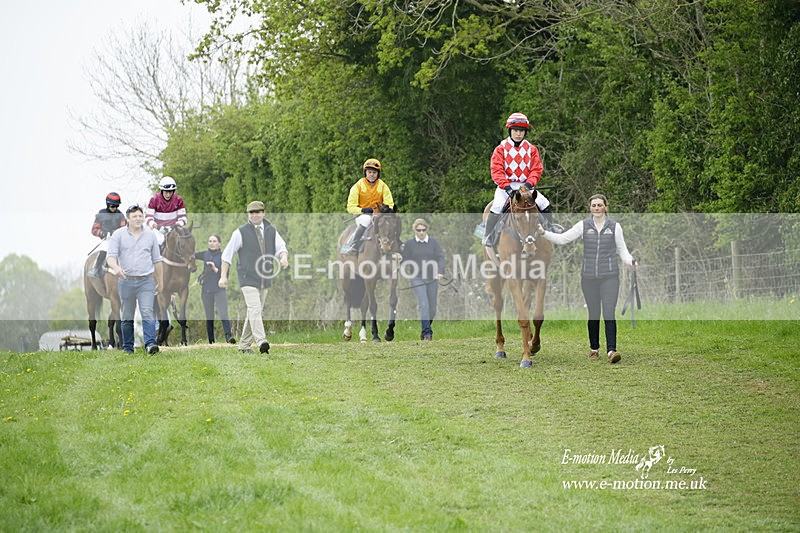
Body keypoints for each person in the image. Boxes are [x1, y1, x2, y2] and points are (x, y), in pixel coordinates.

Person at [538, 194, 636, 364]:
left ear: (605, 207)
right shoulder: (583, 225)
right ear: (590, 208)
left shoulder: (615, 227)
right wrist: (543, 233)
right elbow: (563, 239)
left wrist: (631, 261)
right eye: (594, 205)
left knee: (608, 312)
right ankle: (594, 349)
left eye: (599, 205)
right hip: (588, 278)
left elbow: (622, 250)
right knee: (594, 313)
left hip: (610, 276)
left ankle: (611, 351)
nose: (596, 208)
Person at [219, 201, 289, 354]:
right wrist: (223, 276)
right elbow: (227, 255)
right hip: (247, 277)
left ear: (263, 213)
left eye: (258, 212)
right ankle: (261, 341)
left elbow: (281, 247)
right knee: (255, 308)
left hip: (265, 278)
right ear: (248, 215)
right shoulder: (240, 232)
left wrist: (283, 257)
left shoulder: (271, 230)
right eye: (251, 213)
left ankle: (244, 345)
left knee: (254, 312)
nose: (255, 215)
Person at [483, 112, 562, 246]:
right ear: (510, 131)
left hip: (526, 186)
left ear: (525, 132)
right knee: (497, 206)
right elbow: (496, 171)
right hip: (505, 187)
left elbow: (536, 169)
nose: (518, 134)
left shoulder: (532, 149)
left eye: (522, 131)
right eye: (515, 130)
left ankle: (551, 227)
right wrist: (507, 188)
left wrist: (529, 184)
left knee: (544, 203)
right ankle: (488, 235)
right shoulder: (500, 149)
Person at [106, 205, 163, 356]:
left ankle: (150, 345)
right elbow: (110, 257)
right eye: (134, 216)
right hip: (126, 281)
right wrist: (116, 267)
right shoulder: (118, 235)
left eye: (140, 216)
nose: (138, 219)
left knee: (147, 312)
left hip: (146, 281)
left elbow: (157, 260)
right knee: (127, 316)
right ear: (128, 219)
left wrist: (161, 281)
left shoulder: (150, 235)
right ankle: (128, 348)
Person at [400, 218, 445, 341]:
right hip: (417, 278)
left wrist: (440, 272)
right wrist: (399, 258)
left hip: (432, 278)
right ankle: (427, 334)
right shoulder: (409, 244)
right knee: (424, 304)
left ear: (426, 230)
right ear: (415, 230)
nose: (421, 232)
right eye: (419, 230)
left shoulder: (433, 243)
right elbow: (404, 261)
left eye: (423, 230)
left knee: (432, 309)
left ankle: (425, 328)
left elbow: (441, 258)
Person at [343, 158, 395, 254]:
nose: (372, 174)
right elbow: (350, 207)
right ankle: (353, 244)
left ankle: (398, 245)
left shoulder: (383, 186)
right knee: (366, 220)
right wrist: (363, 210)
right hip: (362, 216)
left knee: (392, 222)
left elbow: (389, 204)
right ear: (365, 173)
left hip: (379, 216)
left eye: (374, 172)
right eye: (369, 172)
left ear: (378, 174)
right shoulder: (357, 186)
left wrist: (386, 211)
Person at [199, 234, 235, 344]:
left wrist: (215, 269)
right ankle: (211, 341)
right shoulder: (205, 254)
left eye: (214, 241)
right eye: (210, 241)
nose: (212, 243)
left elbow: (226, 275)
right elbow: (190, 255)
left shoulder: (223, 256)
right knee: (209, 316)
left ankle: (229, 337)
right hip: (206, 290)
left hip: (219, 290)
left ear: (219, 243)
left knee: (223, 314)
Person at [89, 192, 127, 278]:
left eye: (117, 206)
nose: (115, 208)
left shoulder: (121, 215)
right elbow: (94, 230)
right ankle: (95, 269)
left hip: (118, 239)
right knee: (104, 249)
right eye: (113, 206)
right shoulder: (101, 214)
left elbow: (124, 228)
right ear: (108, 204)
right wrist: (102, 233)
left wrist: (118, 232)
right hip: (106, 239)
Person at [145, 176, 187, 247]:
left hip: (174, 229)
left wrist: (175, 225)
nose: (168, 195)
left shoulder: (178, 200)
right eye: (166, 192)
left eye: (171, 192)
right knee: (157, 241)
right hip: (158, 230)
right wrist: (157, 227)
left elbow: (183, 218)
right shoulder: (154, 200)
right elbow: (148, 218)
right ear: (162, 190)